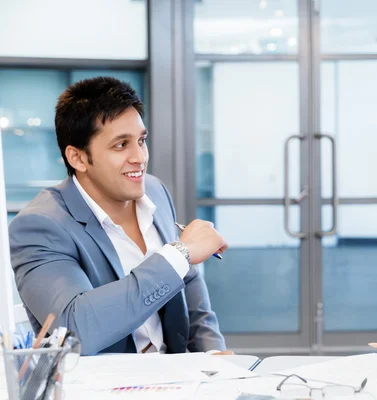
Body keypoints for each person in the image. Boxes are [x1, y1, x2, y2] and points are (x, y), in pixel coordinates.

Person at [9, 77, 228, 356]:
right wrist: (178, 254)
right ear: (77, 158)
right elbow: (78, 330)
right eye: (121, 145)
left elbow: (191, 290)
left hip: (178, 381)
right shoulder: (39, 226)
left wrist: (213, 359)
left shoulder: (155, 191)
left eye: (141, 140)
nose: (140, 157)